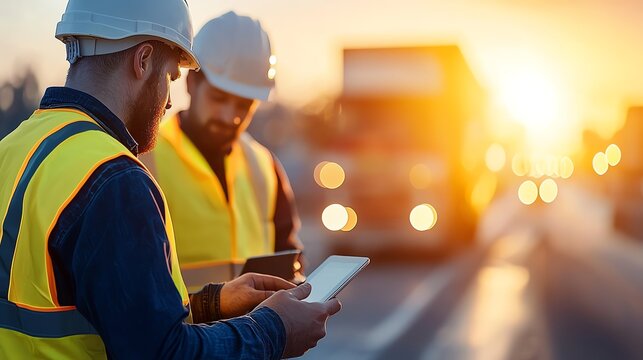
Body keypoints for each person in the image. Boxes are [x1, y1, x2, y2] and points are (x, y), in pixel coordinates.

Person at [0, 1, 340, 359]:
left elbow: (102, 312)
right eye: (170, 77)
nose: (166, 103)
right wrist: (277, 328)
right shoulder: (115, 178)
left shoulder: (13, 149)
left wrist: (209, 305)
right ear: (143, 60)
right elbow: (164, 353)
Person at [141, 12, 304, 287]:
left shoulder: (264, 165)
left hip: (257, 331)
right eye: (219, 98)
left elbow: (288, 259)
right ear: (191, 82)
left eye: (244, 105)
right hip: (179, 330)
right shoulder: (145, 158)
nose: (231, 117)